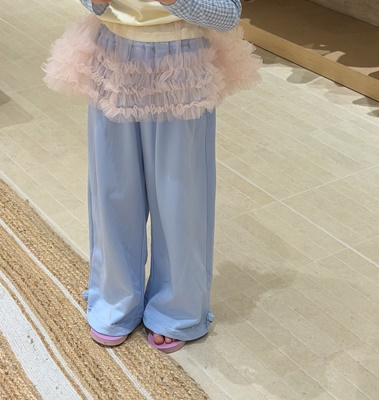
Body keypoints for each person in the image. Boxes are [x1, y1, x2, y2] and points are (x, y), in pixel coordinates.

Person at [43, 0, 261, 353]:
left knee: (180, 196)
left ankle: (177, 307)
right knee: (113, 190)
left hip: (181, 65)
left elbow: (228, 13)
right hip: (114, 57)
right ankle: (115, 299)